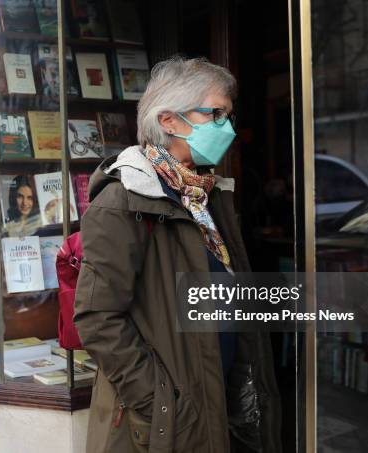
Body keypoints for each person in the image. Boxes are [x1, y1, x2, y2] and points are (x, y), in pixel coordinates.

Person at [74, 57, 282, 453]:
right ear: (169, 120)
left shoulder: (208, 196)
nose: (227, 127)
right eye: (216, 113)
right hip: (170, 418)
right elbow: (97, 317)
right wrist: (158, 400)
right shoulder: (123, 201)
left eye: (229, 116)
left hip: (218, 397)